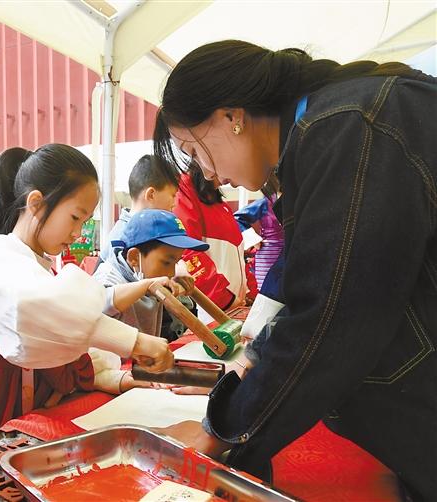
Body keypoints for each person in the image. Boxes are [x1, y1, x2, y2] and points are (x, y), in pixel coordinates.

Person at [154, 40, 436, 500]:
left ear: (231, 117)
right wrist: (249, 368)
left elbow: (328, 316)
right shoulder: (322, 136)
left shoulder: (348, 129)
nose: (208, 174)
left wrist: (223, 429)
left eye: (194, 149)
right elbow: (306, 275)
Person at [0, 145, 174, 439]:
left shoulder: (42, 270)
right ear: (36, 203)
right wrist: (135, 342)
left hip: (23, 412)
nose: (78, 233)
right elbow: (44, 312)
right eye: (75, 217)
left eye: (84, 222)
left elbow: (74, 333)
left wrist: (117, 375)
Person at [94, 209, 207, 341]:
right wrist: (146, 286)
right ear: (134, 257)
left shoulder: (146, 273)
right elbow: (99, 303)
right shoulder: (108, 277)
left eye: (176, 262)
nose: (171, 273)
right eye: (167, 262)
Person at [174, 162, 249, 315]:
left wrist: (250, 292)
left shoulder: (214, 197)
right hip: (215, 309)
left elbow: (238, 255)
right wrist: (225, 300)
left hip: (234, 305)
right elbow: (187, 251)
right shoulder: (185, 191)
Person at [98, 154, 180, 263]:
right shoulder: (123, 238)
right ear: (151, 195)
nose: (174, 204)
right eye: (173, 195)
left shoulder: (144, 229)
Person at [233, 175, 283, 290]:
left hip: (289, 252)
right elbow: (237, 218)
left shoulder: (295, 200)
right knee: (266, 290)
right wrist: (253, 239)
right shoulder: (265, 202)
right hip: (269, 255)